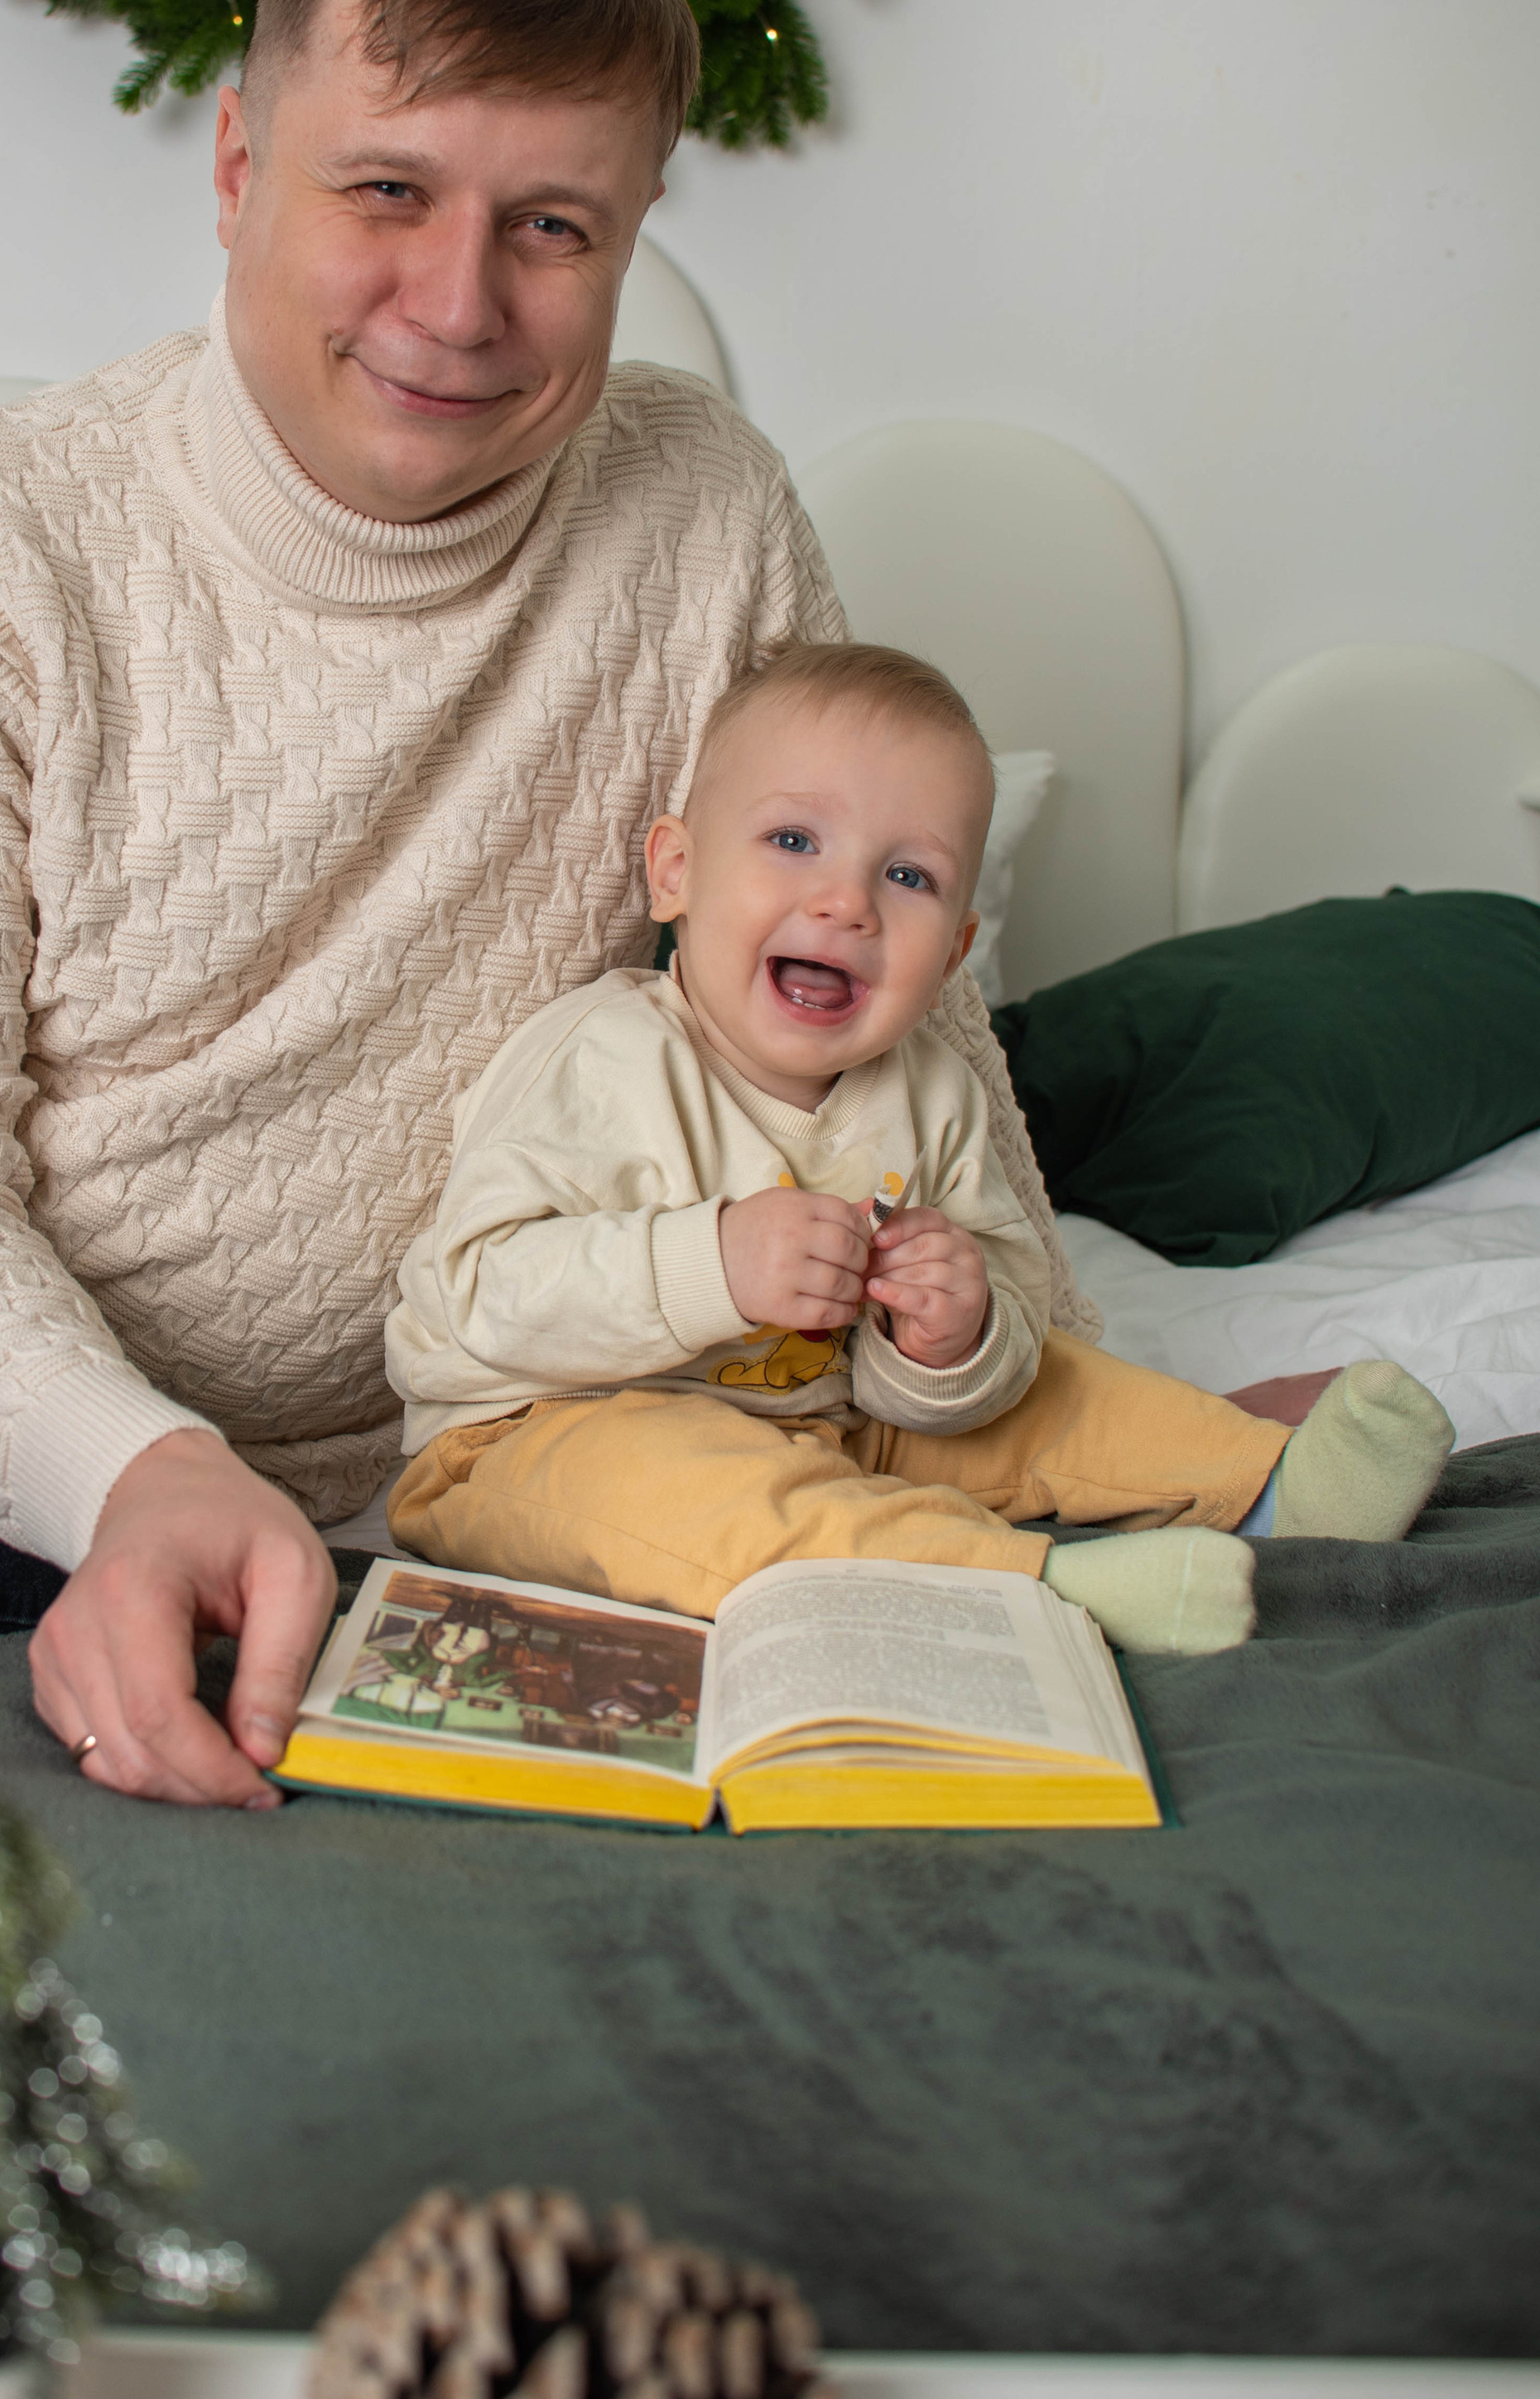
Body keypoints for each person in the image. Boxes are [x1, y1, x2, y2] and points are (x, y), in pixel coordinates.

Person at [0, 0, 1092, 1799]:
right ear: (235, 170)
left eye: (550, 226)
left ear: (632, 234)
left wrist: (1033, 1365)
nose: (455, 303)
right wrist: (123, 1463)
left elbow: (910, 1044)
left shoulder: (703, 517)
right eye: (382, 190)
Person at [385, 641, 1454, 1649]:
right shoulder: (599, 1055)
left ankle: (1272, 1483)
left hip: (836, 1418)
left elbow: (996, 1338)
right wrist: (712, 1260)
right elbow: (474, 1288)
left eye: (909, 876)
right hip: (534, 1434)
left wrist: (949, 1335)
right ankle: (1033, 1586)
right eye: (794, 840)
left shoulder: (931, 1091)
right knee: (693, 1492)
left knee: (1061, 1384)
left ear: (951, 956)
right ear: (676, 871)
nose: (846, 900)